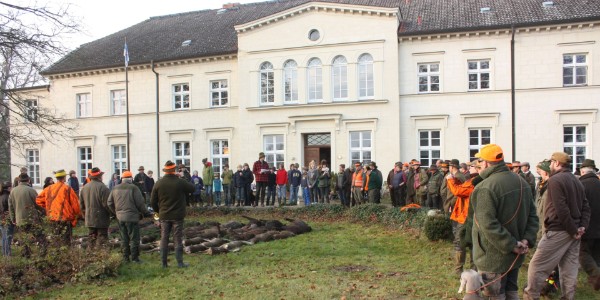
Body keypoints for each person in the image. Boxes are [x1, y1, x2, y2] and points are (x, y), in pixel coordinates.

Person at [471, 144, 539, 300]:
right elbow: (533, 217)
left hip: (493, 258)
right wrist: (525, 240)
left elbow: (487, 225)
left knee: (494, 296)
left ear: (486, 163)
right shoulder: (521, 181)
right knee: (511, 293)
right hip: (515, 253)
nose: (479, 165)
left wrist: (512, 245)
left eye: (479, 161)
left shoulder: (485, 187)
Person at [524, 152, 590, 299]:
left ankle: (531, 296)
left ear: (557, 163)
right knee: (569, 269)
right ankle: (568, 297)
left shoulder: (555, 180)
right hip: (574, 231)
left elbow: (561, 209)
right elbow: (586, 207)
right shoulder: (576, 180)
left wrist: (574, 230)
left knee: (536, 266)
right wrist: (581, 227)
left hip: (559, 230)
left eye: (552, 161)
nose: (551, 164)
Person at [151, 160, 195, 268]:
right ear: (174, 170)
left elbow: (152, 202)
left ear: (165, 171)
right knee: (177, 239)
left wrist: (157, 216)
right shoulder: (180, 182)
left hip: (164, 216)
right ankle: (180, 263)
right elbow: (192, 188)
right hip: (177, 216)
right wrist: (182, 177)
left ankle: (163, 264)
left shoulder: (158, 183)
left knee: (164, 238)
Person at [107, 170, 151, 263]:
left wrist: (115, 213)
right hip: (132, 217)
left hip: (120, 218)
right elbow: (140, 204)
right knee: (134, 238)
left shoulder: (115, 188)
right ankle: (135, 258)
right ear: (130, 179)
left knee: (124, 238)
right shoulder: (134, 188)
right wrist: (147, 213)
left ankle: (125, 258)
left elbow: (109, 203)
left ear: (122, 179)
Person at [447, 160, 480, 275]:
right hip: (466, 216)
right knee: (470, 243)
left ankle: (461, 270)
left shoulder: (476, 182)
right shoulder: (471, 180)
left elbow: (458, 191)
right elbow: (461, 186)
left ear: (478, 168)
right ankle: (470, 269)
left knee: (462, 242)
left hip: (467, 217)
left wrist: (450, 180)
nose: (468, 168)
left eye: (472, 166)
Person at [36, 169, 82, 247]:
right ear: (64, 178)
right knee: (66, 240)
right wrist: (77, 216)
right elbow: (76, 205)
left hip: (52, 218)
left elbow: (38, 200)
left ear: (56, 178)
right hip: (65, 219)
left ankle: (57, 255)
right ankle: (65, 256)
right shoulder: (68, 189)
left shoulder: (48, 189)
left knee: (56, 239)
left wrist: (48, 208)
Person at [9, 173, 45, 257]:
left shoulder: (13, 191)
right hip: (33, 219)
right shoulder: (31, 190)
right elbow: (38, 204)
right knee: (40, 236)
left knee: (24, 238)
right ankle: (43, 253)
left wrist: (13, 218)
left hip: (19, 219)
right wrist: (44, 212)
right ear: (28, 180)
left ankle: (26, 254)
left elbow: (10, 206)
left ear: (19, 180)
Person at [578, 159, 600, 289]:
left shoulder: (581, 185)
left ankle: (596, 275)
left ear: (582, 171)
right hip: (599, 228)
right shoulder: (599, 183)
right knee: (597, 255)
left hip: (586, 227)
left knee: (583, 254)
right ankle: (596, 284)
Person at [79, 167, 111, 249]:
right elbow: (107, 204)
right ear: (99, 176)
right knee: (102, 238)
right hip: (101, 218)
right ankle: (101, 257)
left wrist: (85, 214)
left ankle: (91, 256)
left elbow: (81, 205)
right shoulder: (103, 188)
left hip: (89, 218)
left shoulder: (84, 188)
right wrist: (113, 213)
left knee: (92, 238)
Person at [0, 181, 13, 256]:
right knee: (8, 236)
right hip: (6, 218)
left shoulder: (1, 195)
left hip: (1, 217)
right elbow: (9, 208)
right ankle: (7, 253)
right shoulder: (8, 196)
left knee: (4, 236)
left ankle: (5, 252)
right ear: (9, 188)